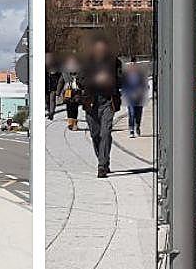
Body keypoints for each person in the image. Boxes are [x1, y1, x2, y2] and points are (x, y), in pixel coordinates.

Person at [77, 36, 122, 178]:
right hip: (91, 104)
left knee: (105, 133)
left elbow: (121, 81)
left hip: (108, 102)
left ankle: (101, 166)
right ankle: (104, 159)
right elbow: (80, 81)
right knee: (95, 135)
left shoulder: (115, 63)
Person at [121, 62, 148, 138]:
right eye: (131, 66)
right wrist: (129, 93)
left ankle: (137, 126)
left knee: (138, 114)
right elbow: (124, 87)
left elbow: (145, 86)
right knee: (131, 113)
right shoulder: (125, 77)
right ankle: (131, 130)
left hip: (139, 97)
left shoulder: (141, 76)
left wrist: (140, 91)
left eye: (134, 66)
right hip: (130, 98)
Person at [59, 55, 81, 131]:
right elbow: (61, 81)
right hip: (67, 91)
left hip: (76, 91)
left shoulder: (79, 71)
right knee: (69, 107)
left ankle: (74, 123)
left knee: (75, 107)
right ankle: (70, 123)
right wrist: (58, 92)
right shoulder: (65, 72)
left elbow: (82, 80)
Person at [44, 52, 61, 121]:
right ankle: (49, 111)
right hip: (45, 87)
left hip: (53, 87)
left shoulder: (56, 66)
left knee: (52, 100)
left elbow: (60, 78)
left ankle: (51, 113)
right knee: (47, 100)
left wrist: (58, 87)